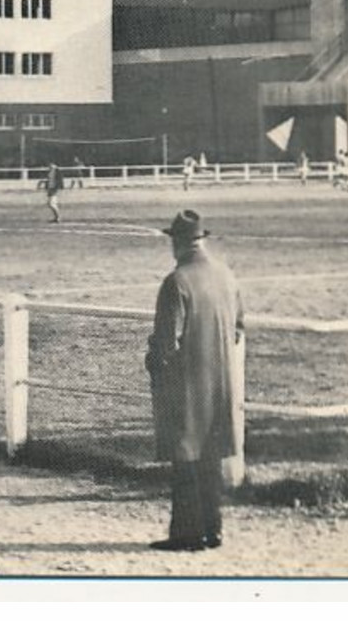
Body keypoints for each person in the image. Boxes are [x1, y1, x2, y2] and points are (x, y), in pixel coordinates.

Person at [146, 209, 244, 553]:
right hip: (220, 382)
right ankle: (212, 530)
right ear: (202, 240)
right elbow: (237, 330)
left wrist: (153, 363)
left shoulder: (177, 281)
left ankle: (186, 535)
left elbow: (165, 342)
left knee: (184, 456)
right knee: (211, 457)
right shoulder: (226, 276)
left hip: (185, 384)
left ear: (178, 243)